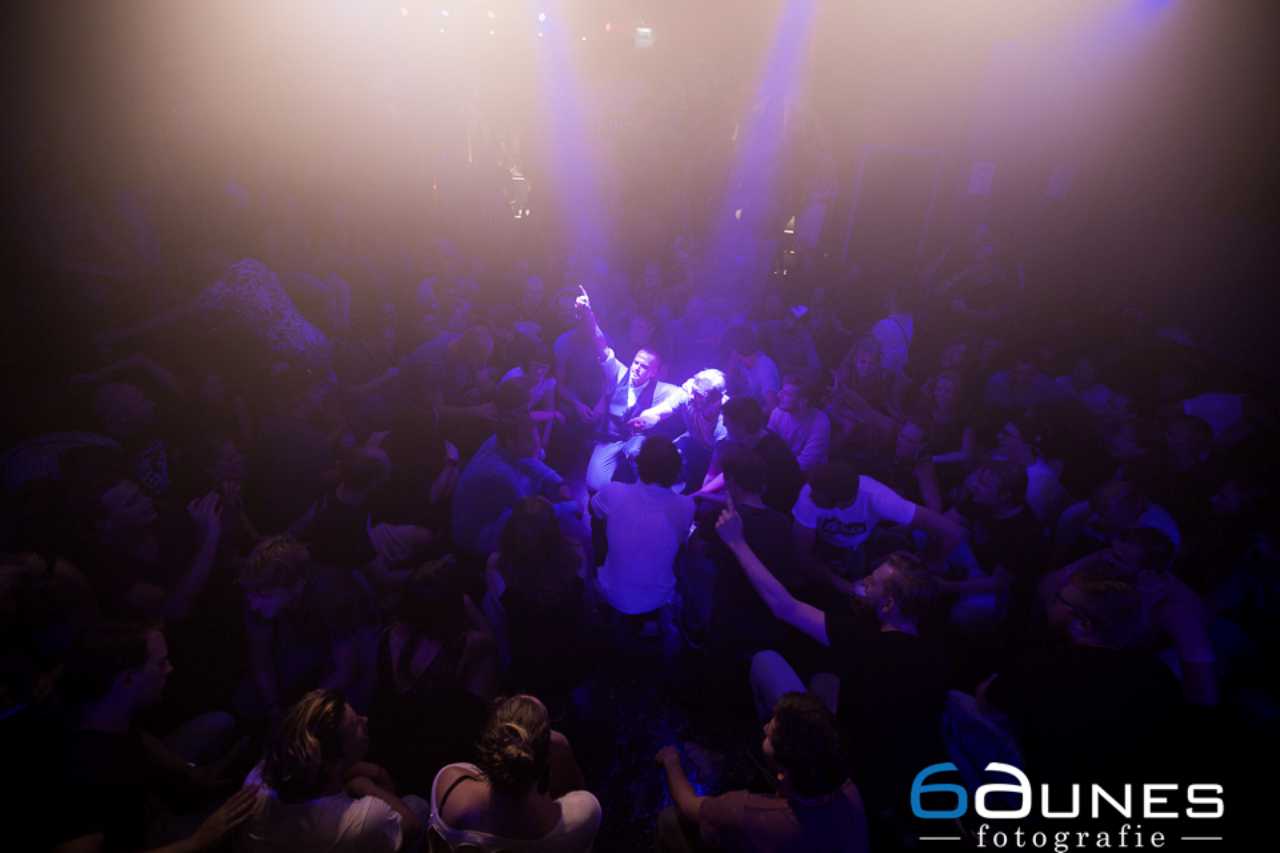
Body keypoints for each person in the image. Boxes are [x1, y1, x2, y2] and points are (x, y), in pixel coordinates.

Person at [713, 507, 951, 825]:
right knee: (825, 678)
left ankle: (777, 759)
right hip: (903, 779)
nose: (862, 582)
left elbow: (783, 606)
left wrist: (737, 542)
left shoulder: (863, 641)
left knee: (764, 661)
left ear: (888, 604)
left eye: (871, 582)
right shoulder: (935, 650)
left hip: (845, 773)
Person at [53, 623, 258, 853]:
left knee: (219, 722)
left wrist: (197, 773)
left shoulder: (112, 717)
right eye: (161, 663)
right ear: (127, 679)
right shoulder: (83, 766)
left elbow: (149, 747)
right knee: (253, 820)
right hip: (150, 839)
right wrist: (198, 841)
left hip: (150, 807)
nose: (169, 669)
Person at [655, 693, 868, 853]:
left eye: (771, 734)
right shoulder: (850, 790)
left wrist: (671, 760)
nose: (765, 727)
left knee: (669, 820)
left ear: (784, 773)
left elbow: (688, 806)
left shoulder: (748, 813)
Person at [368, 559, 496, 795]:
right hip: (447, 769)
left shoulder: (388, 638)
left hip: (396, 761)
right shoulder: (470, 646)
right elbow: (479, 716)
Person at [242, 689, 426, 852]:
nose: (365, 719)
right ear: (334, 763)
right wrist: (367, 787)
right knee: (417, 805)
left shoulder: (256, 782)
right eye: (355, 725)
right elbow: (413, 826)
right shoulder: (364, 819)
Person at [429, 694, 602, 851]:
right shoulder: (581, 817)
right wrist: (563, 750)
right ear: (546, 756)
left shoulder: (450, 783)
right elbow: (576, 795)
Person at [238, 536, 378, 722]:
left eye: (264, 596)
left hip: (342, 639)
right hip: (300, 640)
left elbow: (346, 669)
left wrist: (300, 715)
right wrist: (273, 709)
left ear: (296, 586)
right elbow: (261, 660)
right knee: (248, 699)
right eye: (251, 596)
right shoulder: (257, 594)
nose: (254, 604)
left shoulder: (334, 594)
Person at [791, 461, 966, 585]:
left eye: (817, 497)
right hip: (825, 545)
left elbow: (954, 532)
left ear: (843, 502)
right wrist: (843, 586)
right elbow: (801, 554)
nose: (810, 496)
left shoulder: (877, 497)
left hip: (864, 542)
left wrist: (928, 562)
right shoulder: (811, 492)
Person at [590, 437, 696, 616]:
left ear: (639, 464)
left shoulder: (613, 492)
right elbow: (681, 540)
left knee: (597, 517)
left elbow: (593, 509)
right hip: (659, 597)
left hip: (613, 592)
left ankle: (599, 571)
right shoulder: (686, 505)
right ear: (676, 470)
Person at [451, 409, 577, 558]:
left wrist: (559, 482)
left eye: (535, 435)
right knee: (541, 529)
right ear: (511, 443)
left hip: (489, 514)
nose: (537, 444)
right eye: (529, 440)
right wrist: (571, 506)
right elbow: (531, 514)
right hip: (475, 537)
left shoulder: (500, 439)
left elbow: (526, 460)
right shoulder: (501, 474)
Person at [629, 368, 728, 494]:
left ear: (714, 401)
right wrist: (645, 419)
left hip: (717, 456)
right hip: (692, 442)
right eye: (693, 390)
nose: (691, 396)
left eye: (698, 395)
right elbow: (664, 409)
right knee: (661, 456)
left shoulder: (724, 423)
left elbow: (713, 471)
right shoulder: (689, 393)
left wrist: (698, 496)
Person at [700, 397, 803, 516]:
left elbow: (750, 501)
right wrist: (702, 492)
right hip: (755, 502)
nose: (723, 424)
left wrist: (702, 495)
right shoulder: (749, 442)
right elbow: (725, 477)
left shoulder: (770, 455)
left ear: (742, 426)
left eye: (727, 423)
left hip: (772, 513)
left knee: (706, 511)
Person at [767, 374, 831, 474]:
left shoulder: (820, 422)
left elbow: (807, 463)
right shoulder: (777, 413)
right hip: (784, 469)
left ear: (803, 401)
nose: (779, 395)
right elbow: (769, 446)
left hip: (812, 475)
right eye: (781, 391)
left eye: (787, 394)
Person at [723, 325, 781, 412]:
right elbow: (726, 388)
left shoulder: (765, 367)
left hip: (760, 415)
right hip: (748, 408)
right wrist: (731, 364)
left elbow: (772, 405)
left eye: (732, 350)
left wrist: (752, 416)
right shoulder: (741, 363)